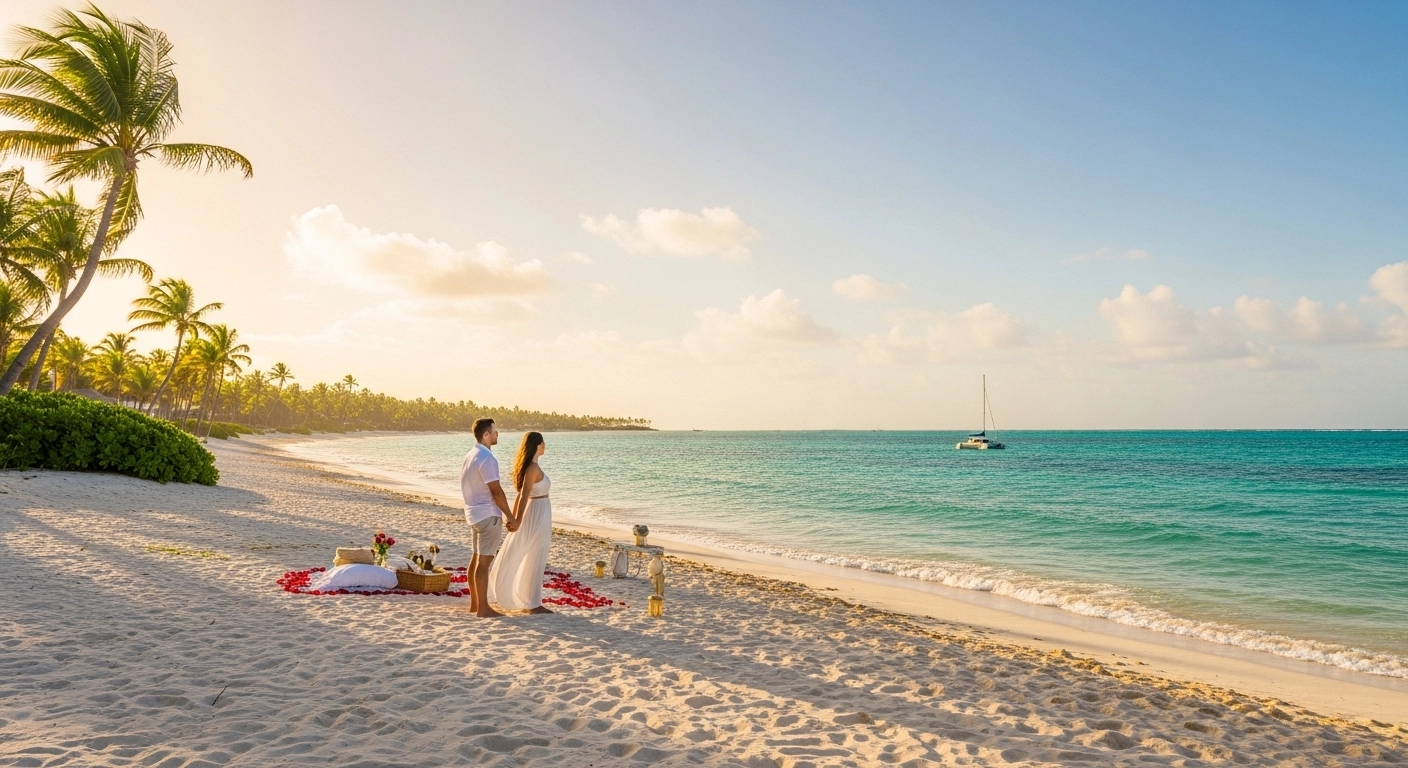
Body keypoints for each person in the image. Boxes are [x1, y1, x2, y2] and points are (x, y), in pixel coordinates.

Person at [488, 432, 554, 614]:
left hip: (539, 510)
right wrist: (516, 519)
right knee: (535, 553)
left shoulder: (534, 466)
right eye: (543, 443)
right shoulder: (532, 468)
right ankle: (533, 604)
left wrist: (514, 518)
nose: (545, 446)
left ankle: (530, 600)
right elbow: (524, 495)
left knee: (536, 553)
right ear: (538, 446)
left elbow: (520, 495)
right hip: (536, 512)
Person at [462, 418, 517, 618]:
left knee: (476, 560)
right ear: (486, 434)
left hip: (474, 515)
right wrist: (511, 516)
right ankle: (483, 608)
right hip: (488, 515)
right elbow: (497, 492)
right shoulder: (487, 458)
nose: (497, 434)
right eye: (495, 431)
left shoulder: (470, 456)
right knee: (483, 564)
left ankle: (476, 605)